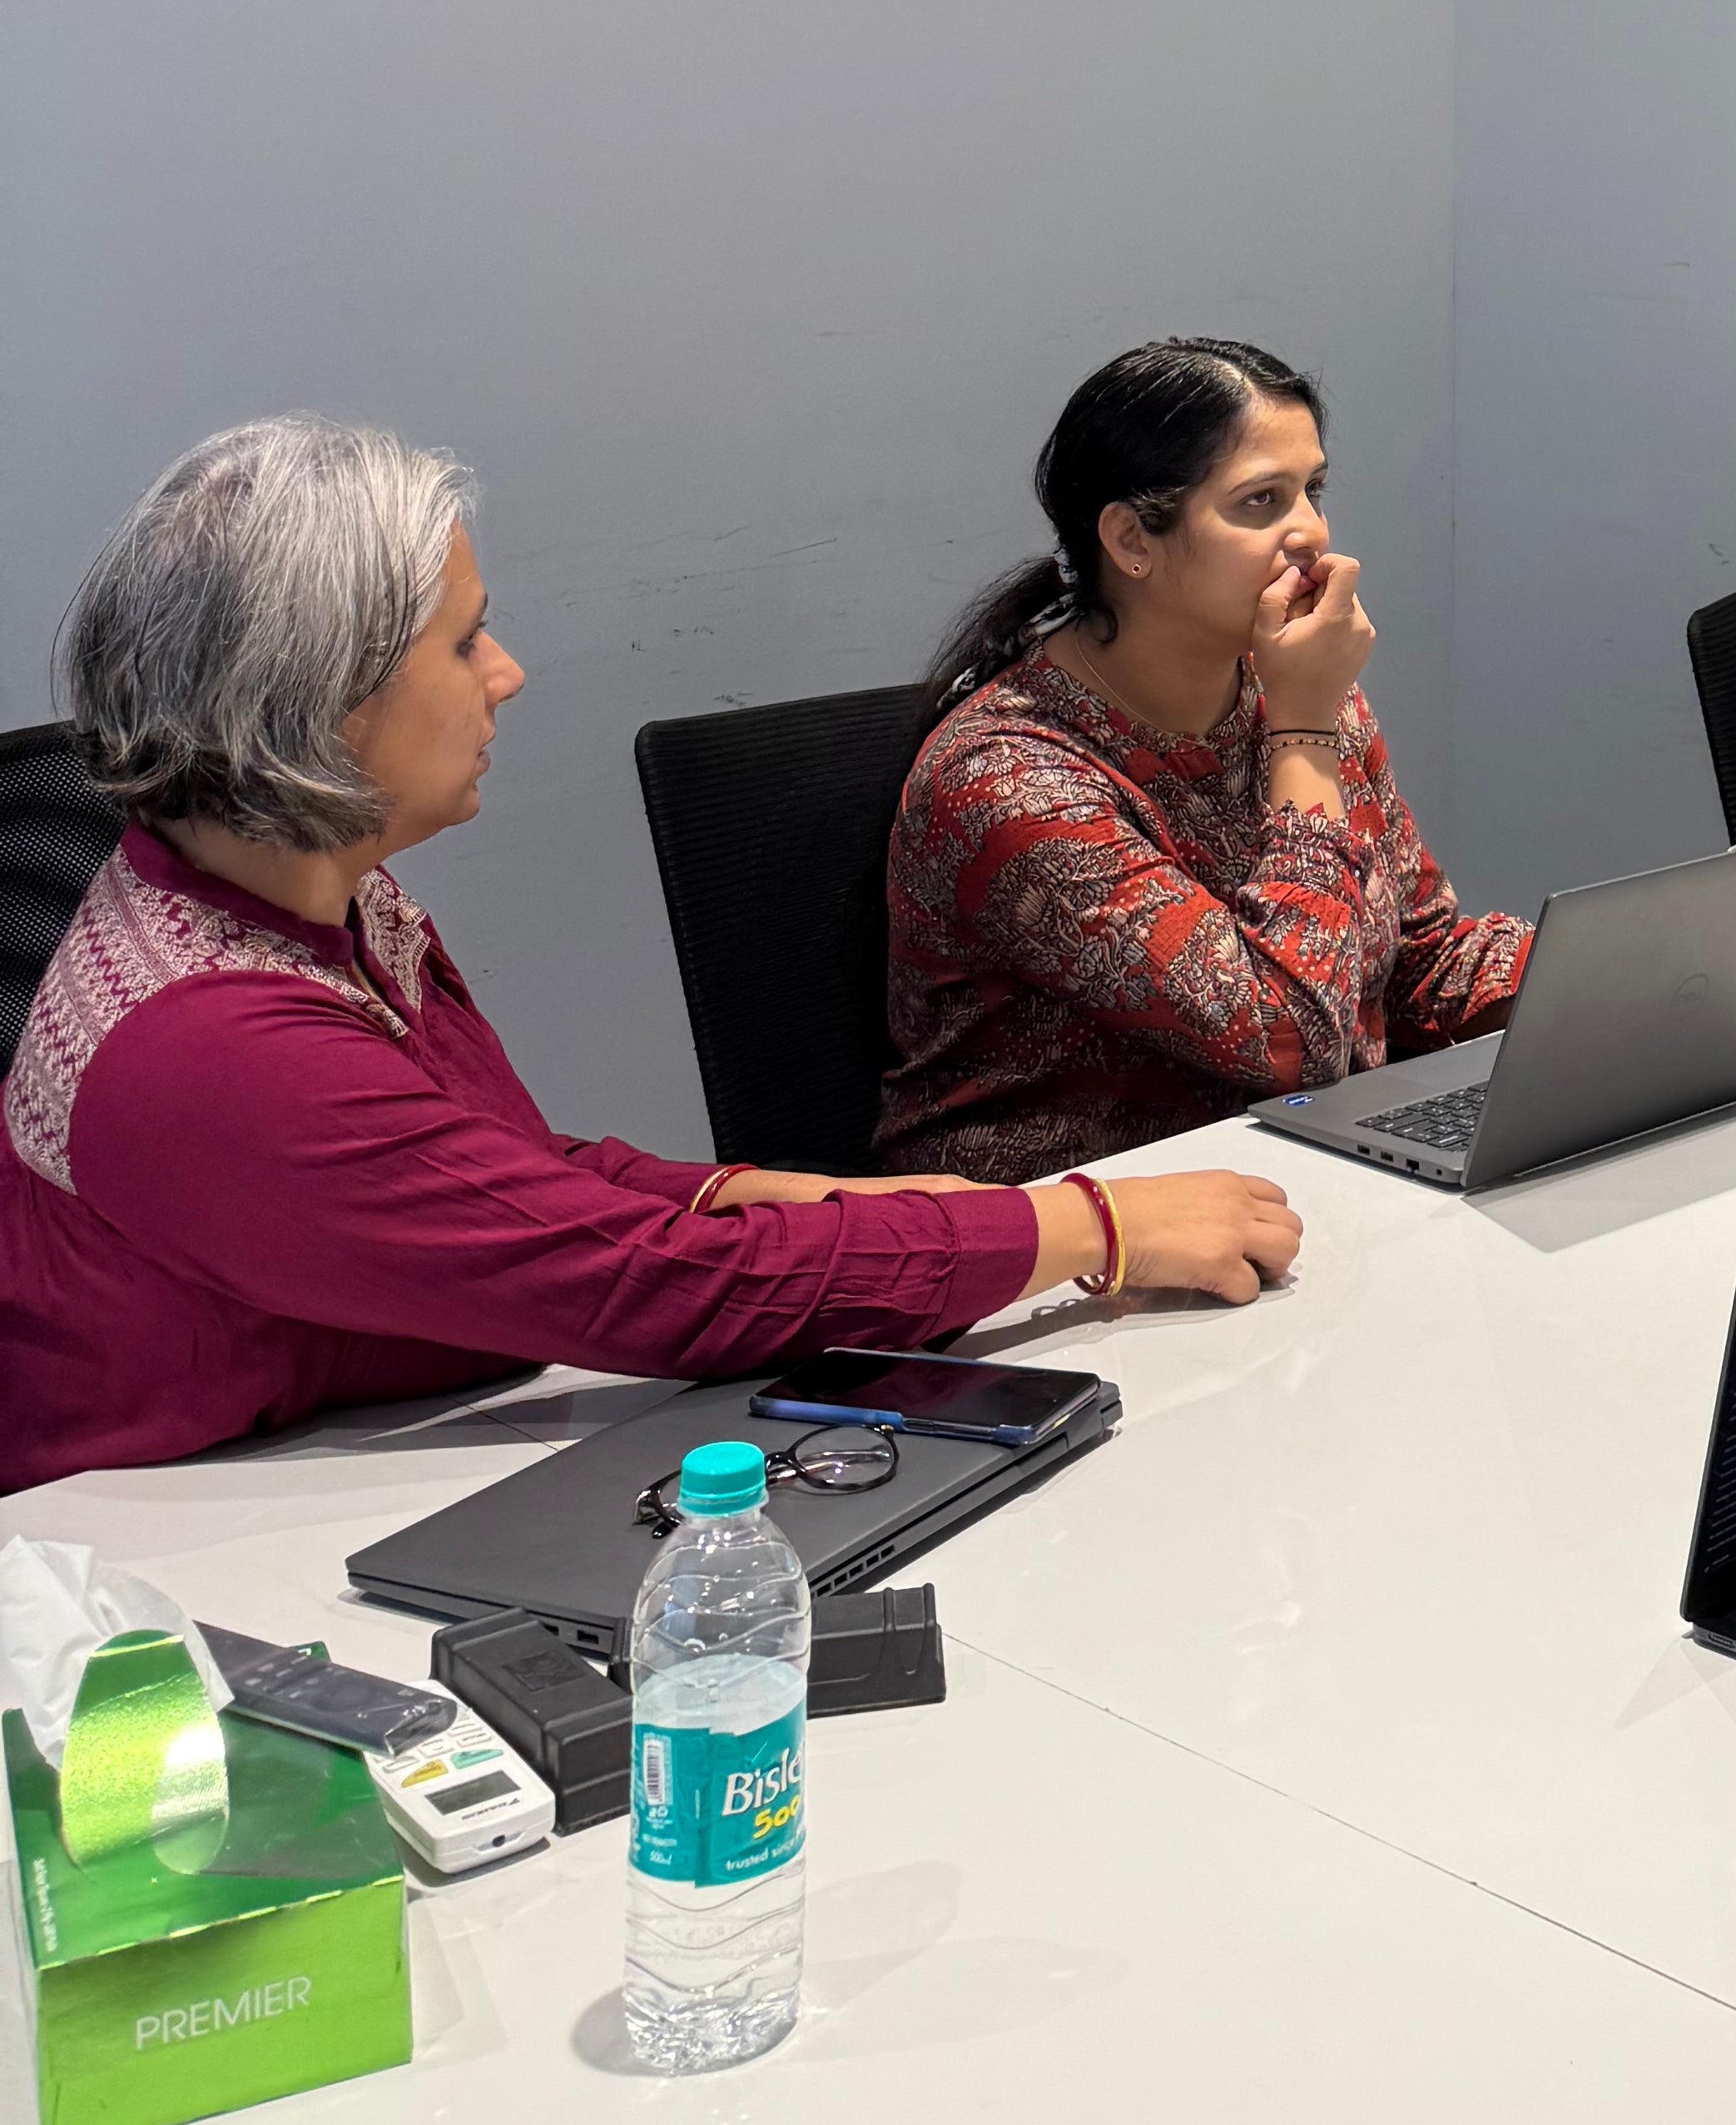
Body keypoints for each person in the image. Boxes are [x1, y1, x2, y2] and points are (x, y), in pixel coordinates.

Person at [0, 422, 1297, 1506]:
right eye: (461, 644)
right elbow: (640, 1291)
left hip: (352, 1438)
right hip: (173, 1546)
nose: (504, 675)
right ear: (318, 707)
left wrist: (733, 1189)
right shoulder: (209, 1051)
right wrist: (1085, 1227)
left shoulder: (304, 887)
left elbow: (489, 1172)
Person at [880, 339, 1529, 1179]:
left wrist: (1624, 975)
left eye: (1314, 491)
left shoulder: (1295, 682)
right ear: (1131, 539)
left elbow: (1417, 959)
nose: (1314, 535)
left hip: (1292, 1181)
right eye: (1261, 501)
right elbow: (1291, 1043)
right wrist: (1302, 732)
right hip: (1072, 1240)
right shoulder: (1007, 777)